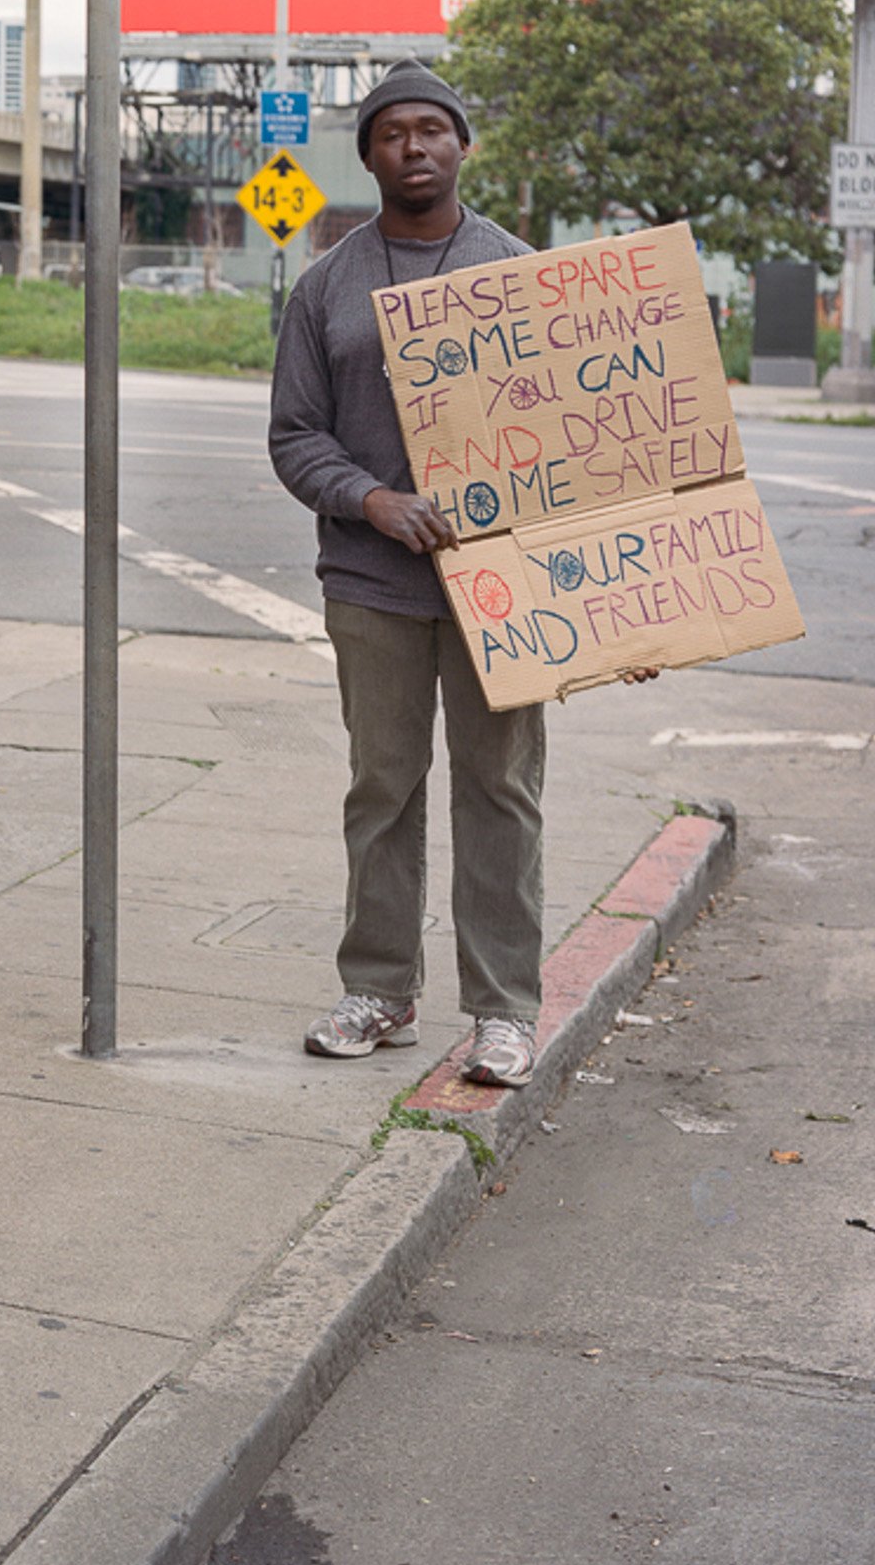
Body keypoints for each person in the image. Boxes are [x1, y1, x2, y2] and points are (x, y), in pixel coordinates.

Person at [267, 60, 653, 1090]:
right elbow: (293, 436)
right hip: (371, 586)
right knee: (381, 788)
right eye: (392, 132)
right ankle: (380, 989)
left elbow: (587, 451)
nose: (414, 146)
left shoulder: (521, 276)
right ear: (369, 154)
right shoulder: (326, 286)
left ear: (462, 144)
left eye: (432, 129)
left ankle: (501, 1011)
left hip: (505, 596)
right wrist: (369, 499)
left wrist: (623, 616)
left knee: (500, 792)